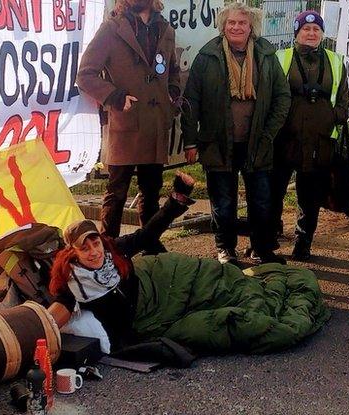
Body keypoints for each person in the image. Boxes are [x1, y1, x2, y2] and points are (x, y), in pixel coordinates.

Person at [46, 172, 330, 357]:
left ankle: (244, 282)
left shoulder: (113, 251)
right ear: (73, 253)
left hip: (164, 278)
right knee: (232, 323)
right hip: (154, 311)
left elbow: (147, 235)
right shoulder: (72, 286)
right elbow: (49, 322)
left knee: (229, 281)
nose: (94, 252)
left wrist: (176, 200)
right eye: (85, 248)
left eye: (95, 243)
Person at [181, 1, 291, 266]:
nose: (236, 27)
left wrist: (268, 133)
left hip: (257, 143)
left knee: (262, 201)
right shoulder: (207, 56)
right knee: (223, 202)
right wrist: (191, 141)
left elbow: (282, 96)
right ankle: (225, 250)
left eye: (241, 23)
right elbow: (191, 101)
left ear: (250, 26)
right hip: (217, 142)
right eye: (231, 23)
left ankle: (261, 249)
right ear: (223, 26)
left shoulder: (265, 55)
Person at [77, 0, 181, 245]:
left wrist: (173, 94)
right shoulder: (111, 28)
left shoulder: (165, 29)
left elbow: (173, 70)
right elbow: (85, 75)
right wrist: (115, 96)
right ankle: (109, 246)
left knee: (152, 190)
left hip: (155, 122)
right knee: (117, 192)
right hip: (125, 122)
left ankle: (150, 244)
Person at [271, 10, 349, 261]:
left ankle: (303, 242)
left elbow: (344, 97)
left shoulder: (335, 61)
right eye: (306, 29)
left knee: (310, 194)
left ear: (322, 34)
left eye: (316, 30)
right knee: (274, 191)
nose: (311, 33)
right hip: (285, 139)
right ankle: (266, 240)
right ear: (297, 33)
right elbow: (269, 95)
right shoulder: (281, 58)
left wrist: (334, 118)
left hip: (320, 139)